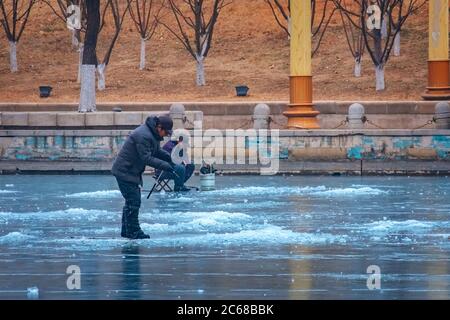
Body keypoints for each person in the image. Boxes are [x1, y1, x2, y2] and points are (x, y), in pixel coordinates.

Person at [112, 116, 188, 239]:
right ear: (159, 127)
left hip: (130, 171)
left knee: (131, 201)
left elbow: (157, 151)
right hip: (125, 171)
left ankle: (127, 230)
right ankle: (134, 231)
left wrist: (171, 158)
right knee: (134, 201)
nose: (164, 136)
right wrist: (167, 166)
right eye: (165, 132)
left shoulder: (152, 134)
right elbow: (146, 158)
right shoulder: (144, 136)